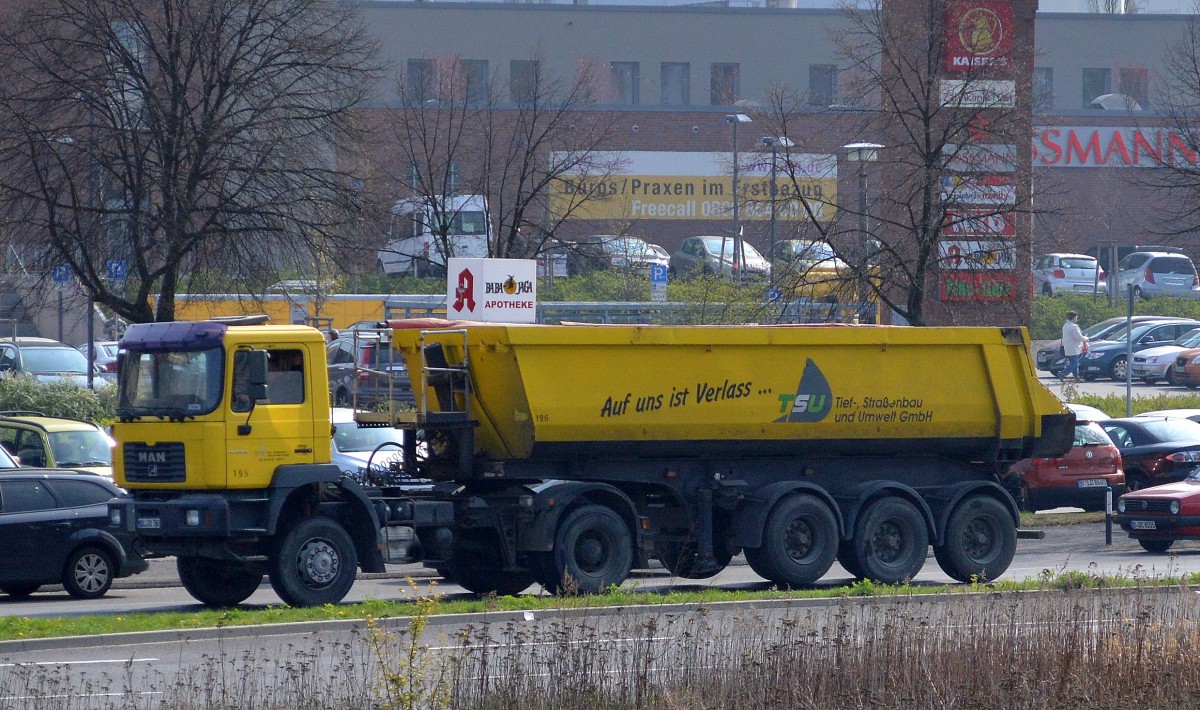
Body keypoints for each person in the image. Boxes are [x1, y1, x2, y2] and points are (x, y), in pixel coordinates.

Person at [1061, 311, 1088, 381]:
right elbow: (1078, 337)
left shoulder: (1065, 326)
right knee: (1074, 363)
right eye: (1076, 317)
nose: (1076, 319)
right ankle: (1063, 373)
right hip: (1074, 347)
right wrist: (1086, 338)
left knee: (1075, 363)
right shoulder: (1074, 327)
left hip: (1067, 347)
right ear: (1073, 317)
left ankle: (1077, 377)